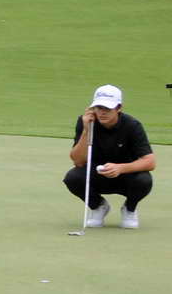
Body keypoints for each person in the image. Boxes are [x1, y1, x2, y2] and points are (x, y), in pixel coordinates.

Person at [65, 85, 156, 228]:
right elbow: (78, 161)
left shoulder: (132, 125)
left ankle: (129, 209)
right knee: (73, 178)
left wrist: (120, 168)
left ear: (119, 108)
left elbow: (150, 162)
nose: (102, 112)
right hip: (97, 175)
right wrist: (86, 131)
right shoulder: (86, 122)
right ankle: (98, 207)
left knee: (144, 180)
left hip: (126, 176)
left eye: (107, 108)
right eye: (99, 108)